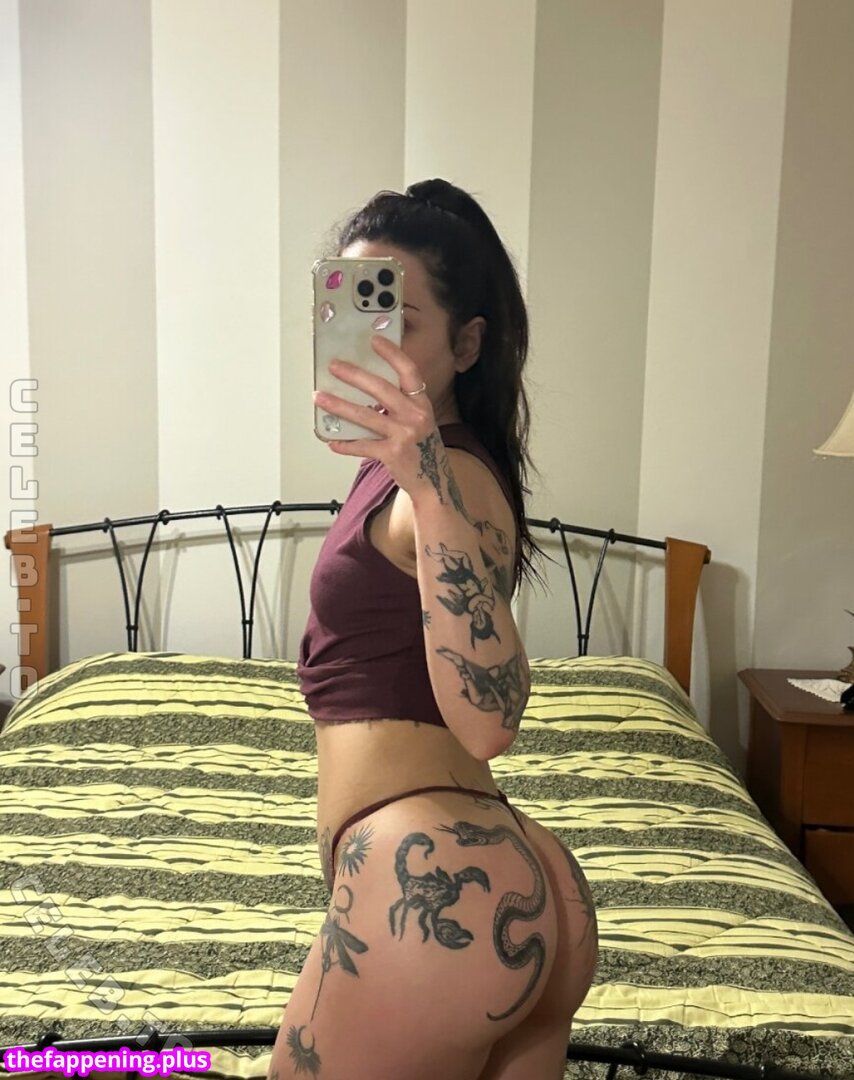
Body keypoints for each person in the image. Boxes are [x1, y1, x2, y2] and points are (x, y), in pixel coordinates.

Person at [269, 179, 598, 1080]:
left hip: (429, 887)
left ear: (466, 345)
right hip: (499, 878)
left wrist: (425, 482)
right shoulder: (425, 477)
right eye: (354, 312)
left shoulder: (444, 485)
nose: (372, 342)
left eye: (401, 320)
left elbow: (490, 720)